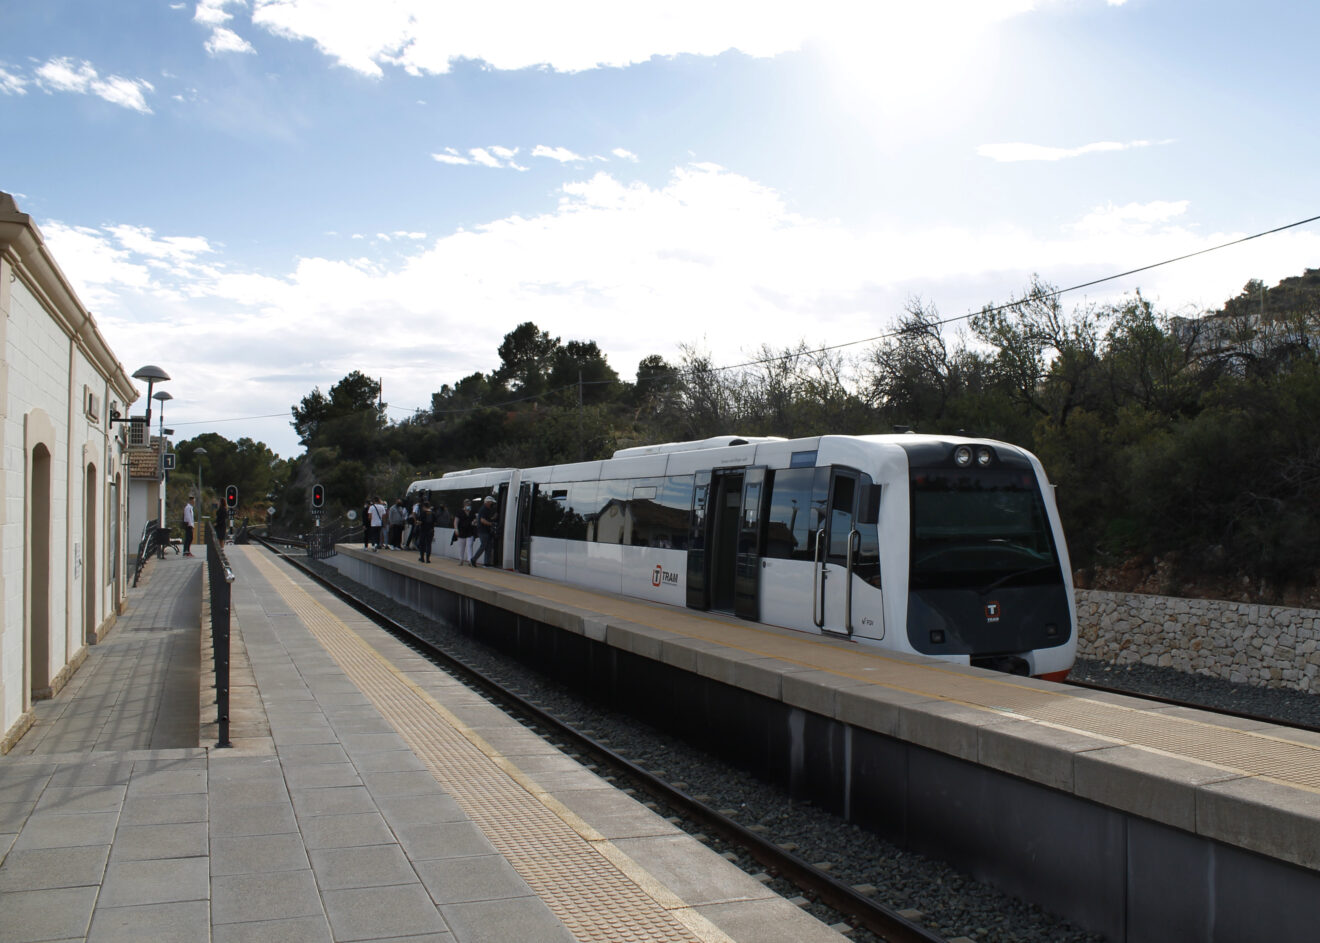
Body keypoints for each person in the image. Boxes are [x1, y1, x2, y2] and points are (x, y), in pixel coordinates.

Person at [475, 495, 499, 566]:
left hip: (486, 531)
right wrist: (491, 524)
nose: (492, 504)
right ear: (488, 502)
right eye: (491, 502)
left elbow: (487, 518)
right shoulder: (483, 509)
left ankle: (486, 563)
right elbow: (482, 520)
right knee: (483, 546)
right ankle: (473, 559)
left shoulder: (487, 509)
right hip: (483, 531)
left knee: (488, 547)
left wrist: (493, 518)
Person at [454, 497, 476, 565]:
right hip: (461, 531)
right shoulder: (459, 512)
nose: (468, 506)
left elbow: (475, 520)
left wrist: (474, 521)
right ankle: (461, 559)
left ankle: (470, 560)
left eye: (469, 505)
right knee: (461, 547)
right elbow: (456, 521)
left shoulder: (472, 512)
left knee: (469, 545)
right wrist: (456, 529)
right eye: (467, 505)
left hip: (470, 531)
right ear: (464, 505)